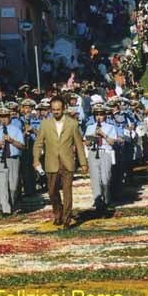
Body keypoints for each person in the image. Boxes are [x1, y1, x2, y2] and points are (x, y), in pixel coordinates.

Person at [33, 97, 88, 228]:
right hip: (51, 162)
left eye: (58, 109)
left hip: (67, 162)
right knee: (52, 192)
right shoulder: (45, 124)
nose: (56, 112)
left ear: (64, 109)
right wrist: (35, 159)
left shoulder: (72, 123)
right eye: (53, 110)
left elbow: (79, 145)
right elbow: (38, 144)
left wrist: (83, 163)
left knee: (67, 191)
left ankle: (67, 218)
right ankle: (58, 212)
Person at [84, 104, 116, 215]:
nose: (99, 117)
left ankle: (106, 199)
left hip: (105, 152)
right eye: (97, 114)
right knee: (95, 179)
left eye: (101, 114)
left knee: (105, 179)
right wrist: (93, 136)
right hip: (93, 153)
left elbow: (112, 142)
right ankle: (98, 201)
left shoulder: (110, 127)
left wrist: (103, 134)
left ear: (105, 115)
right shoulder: (90, 127)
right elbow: (86, 142)